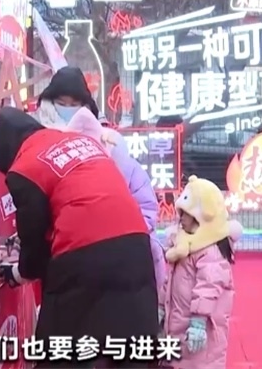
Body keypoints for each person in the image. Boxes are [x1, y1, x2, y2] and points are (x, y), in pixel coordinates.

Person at [0, 107, 159, 368]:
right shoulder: (82, 142)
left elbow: (34, 247)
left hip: (83, 255)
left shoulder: (25, 166)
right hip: (136, 246)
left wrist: (17, 273)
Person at [33, 66, 167, 289]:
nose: (68, 110)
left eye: (75, 104)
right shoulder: (41, 146)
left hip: (117, 258)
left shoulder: (112, 146)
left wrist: (123, 233)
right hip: (65, 258)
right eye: (61, 103)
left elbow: (144, 203)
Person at [161, 175, 242, 369]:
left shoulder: (210, 251)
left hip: (199, 329)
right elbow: (168, 283)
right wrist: (161, 308)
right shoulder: (182, 246)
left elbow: (208, 288)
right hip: (178, 326)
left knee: (199, 362)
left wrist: (198, 321)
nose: (181, 218)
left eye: (185, 213)